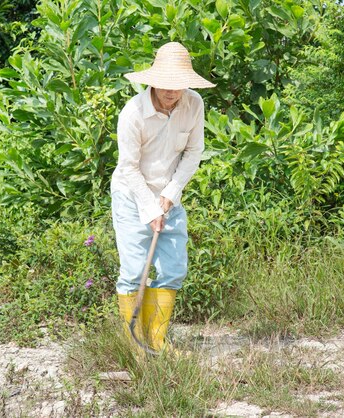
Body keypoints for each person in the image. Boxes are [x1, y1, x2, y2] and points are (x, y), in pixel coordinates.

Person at [111, 42, 215, 352]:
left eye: (178, 84)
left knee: (173, 269)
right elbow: (128, 168)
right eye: (166, 84)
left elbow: (194, 152)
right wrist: (150, 207)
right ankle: (134, 344)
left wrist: (169, 195)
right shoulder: (132, 114)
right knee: (132, 271)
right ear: (153, 80)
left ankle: (156, 341)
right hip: (132, 196)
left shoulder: (194, 104)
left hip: (169, 195)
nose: (172, 91)